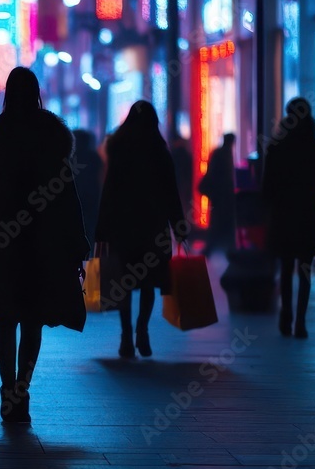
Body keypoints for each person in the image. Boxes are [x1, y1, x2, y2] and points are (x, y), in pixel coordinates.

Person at [0, 67, 89, 423]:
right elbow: (66, 196)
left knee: (4, 317)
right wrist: (77, 245)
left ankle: (6, 388)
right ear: (37, 94)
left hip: (1, 244)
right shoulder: (52, 139)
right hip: (42, 245)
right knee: (33, 318)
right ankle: (22, 390)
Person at [95, 101, 188, 358]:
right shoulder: (159, 150)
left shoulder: (119, 149)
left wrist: (101, 230)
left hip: (123, 229)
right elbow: (171, 192)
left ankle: (125, 336)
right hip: (153, 228)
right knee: (148, 283)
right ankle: (142, 332)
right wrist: (179, 226)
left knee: (124, 283)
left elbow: (109, 192)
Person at [262, 98, 315, 339]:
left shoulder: (277, 148)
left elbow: (267, 186)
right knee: (305, 270)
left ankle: (286, 315)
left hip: (283, 216)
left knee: (286, 266)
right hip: (308, 216)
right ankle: (300, 321)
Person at [199, 133, 237, 256]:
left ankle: (211, 249)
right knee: (223, 222)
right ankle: (229, 250)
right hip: (223, 195)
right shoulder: (226, 154)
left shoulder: (219, 153)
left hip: (218, 195)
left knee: (216, 222)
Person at [72, 130, 104, 248]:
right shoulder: (94, 157)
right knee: (90, 230)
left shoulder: (71, 157)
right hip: (92, 199)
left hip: (76, 199)